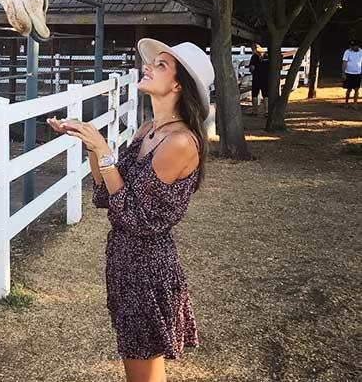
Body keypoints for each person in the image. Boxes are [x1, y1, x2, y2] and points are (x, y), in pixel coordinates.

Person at [48, 40, 213, 382]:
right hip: (125, 262)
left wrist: (103, 149)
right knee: (139, 367)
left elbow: (135, 216)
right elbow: (109, 191)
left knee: (143, 373)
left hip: (147, 268)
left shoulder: (180, 142)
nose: (148, 65)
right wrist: (89, 144)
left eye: (162, 65)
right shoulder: (147, 131)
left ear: (179, 85)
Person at [248, 43, 269, 116]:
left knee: (255, 94)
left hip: (257, 77)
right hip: (266, 77)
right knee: (266, 94)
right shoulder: (266, 56)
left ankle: (255, 111)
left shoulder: (254, 56)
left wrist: (251, 70)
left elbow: (252, 67)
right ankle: (266, 111)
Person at [342, 38, 362, 108]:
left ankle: (355, 104)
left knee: (357, 89)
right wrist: (343, 72)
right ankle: (346, 103)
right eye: (351, 46)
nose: (352, 47)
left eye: (353, 46)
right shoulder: (347, 52)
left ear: (357, 46)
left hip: (358, 73)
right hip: (349, 73)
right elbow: (344, 62)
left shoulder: (361, 52)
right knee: (349, 89)